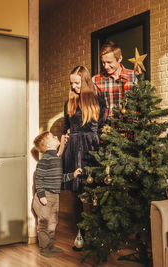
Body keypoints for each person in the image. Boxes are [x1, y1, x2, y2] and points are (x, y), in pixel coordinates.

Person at [61, 65, 106, 251]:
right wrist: (64, 139)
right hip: (73, 151)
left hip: (92, 150)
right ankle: (81, 234)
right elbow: (66, 127)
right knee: (77, 195)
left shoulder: (97, 101)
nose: (73, 86)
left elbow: (102, 127)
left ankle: (98, 234)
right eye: (71, 83)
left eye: (77, 83)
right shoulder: (69, 103)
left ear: (85, 82)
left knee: (95, 193)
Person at [32, 131, 82, 258]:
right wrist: (42, 195)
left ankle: (51, 246)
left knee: (53, 222)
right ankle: (44, 249)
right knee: (44, 224)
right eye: (53, 137)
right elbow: (39, 179)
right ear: (48, 145)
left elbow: (60, 178)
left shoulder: (56, 158)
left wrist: (73, 175)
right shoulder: (45, 160)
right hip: (45, 197)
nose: (56, 137)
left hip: (55, 196)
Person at [92, 41, 138, 120]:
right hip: (106, 129)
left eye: (109, 62)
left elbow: (142, 104)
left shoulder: (134, 76)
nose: (106, 66)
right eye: (103, 63)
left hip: (131, 127)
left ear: (119, 58)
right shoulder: (95, 80)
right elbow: (92, 108)